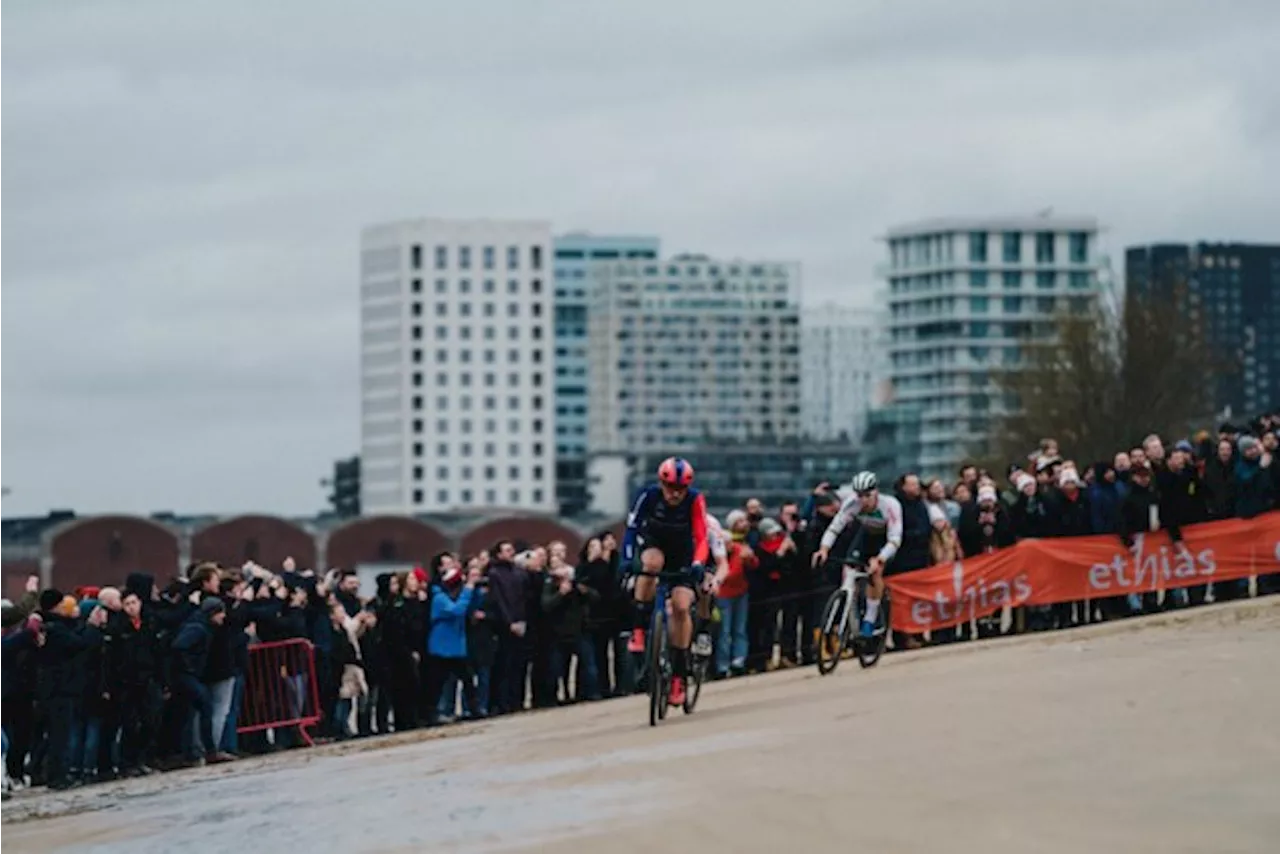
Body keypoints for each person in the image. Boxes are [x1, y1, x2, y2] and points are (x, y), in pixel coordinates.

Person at [621, 457, 719, 708]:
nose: (675, 494)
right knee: (651, 565)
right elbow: (631, 529)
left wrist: (698, 564)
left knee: (681, 607)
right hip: (655, 544)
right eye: (670, 488)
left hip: (683, 553)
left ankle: (678, 676)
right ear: (661, 483)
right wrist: (627, 560)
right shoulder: (648, 496)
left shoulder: (694, 499)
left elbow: (700, 536)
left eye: (680, 489)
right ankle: (639, 629)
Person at [812, 471, 903, 638]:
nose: (863, 500)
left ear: (876, 491)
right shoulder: (852, 503)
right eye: (860, 495)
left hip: (885, 540)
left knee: (875, 571)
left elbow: (895, 539)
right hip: (865, 534)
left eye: (867, 495)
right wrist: (823, 549)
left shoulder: (890, 505)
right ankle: (848, 603)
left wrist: (880, 558)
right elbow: (834, 528)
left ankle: (869, 618)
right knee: (848, 566)